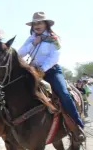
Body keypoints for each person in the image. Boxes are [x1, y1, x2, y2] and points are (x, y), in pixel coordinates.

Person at [17, 11, 85, 142]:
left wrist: (42, 69)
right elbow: (20, 53)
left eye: (40, 22)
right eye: (34, 23)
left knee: (64, 94)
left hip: (51, 70)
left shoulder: (54, 38)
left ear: (46, 24)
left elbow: (55, 56)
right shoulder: (31, 38)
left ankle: (77, 125)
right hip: (33, 70)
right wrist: (33, 43)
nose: (37, 25)